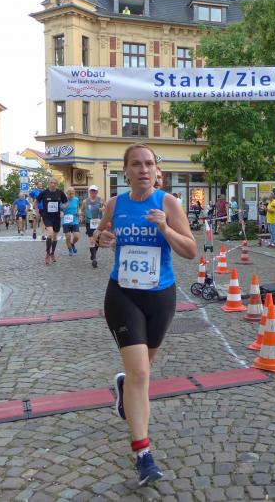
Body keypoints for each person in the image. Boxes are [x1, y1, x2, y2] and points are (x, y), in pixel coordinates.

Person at [91, 144, 196, 487]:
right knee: (139, 373)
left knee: (142, 370)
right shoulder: (114, 204)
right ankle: (143, 455)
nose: (143, 169)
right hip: (122, 294)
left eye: (149, 163)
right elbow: (98, 235)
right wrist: (102, 237)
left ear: (156, 170)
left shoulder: (169, 203)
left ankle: (124, 388)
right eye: (136, 164)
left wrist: (165, 228)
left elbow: (190, 250)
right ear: (126, 171)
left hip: (160, 296)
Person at [36, 177, 68, 265]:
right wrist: (37, 212)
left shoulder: (60, 193)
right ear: (49, 183)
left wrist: (63, 208)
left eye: (54, 183)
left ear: (56, 184)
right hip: (47, 216)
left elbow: (66, 203)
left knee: (55, 237)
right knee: (50, 234)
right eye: (51, 183)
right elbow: (36, 202)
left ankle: (52, 253)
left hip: (57, 217)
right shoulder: (44, 193)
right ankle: (47, 254)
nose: (53, 184)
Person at [82, 185, 105, 268]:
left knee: (97, 239)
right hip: (89, 222)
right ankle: (94, 258)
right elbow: (82, 210)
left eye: (94, 191)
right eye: (91, 191)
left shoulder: (101, 200)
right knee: (92, 240)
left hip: (99, 222)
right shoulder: (85, 201)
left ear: (97, 192)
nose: (93, 192)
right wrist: (83, 215)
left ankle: (93, 254)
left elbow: (108, 208)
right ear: (89, 192)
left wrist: (103, 209)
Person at [61, 187, 81, 256]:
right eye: (70, 194)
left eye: (73, 193)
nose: (71, 195)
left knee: (76, 236)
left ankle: (72, 244)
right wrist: (61, 212)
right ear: (66, 193)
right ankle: (70, 249)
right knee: (68, 236)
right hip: (66, 220)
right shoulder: (63, 200)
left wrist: (78, 213)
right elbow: (61, 209)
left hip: (74, 220)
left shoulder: (76, 199)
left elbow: (78, 207)